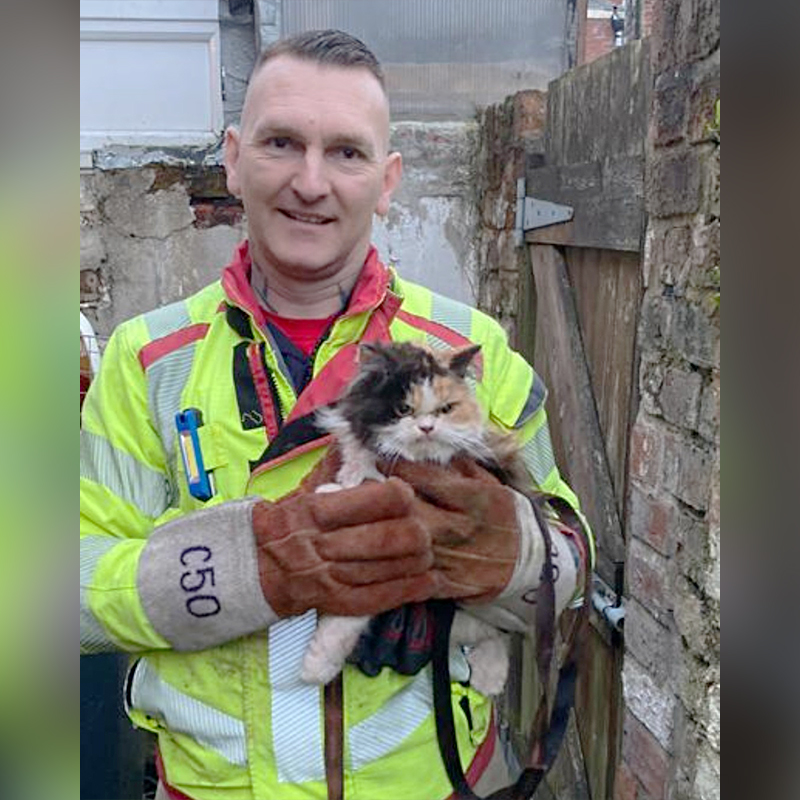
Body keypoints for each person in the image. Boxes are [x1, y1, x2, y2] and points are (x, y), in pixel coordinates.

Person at [80, 30, 592, 800]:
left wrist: (509, 552)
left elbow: (572, 568)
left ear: (387, 182)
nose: (310, 183)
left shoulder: (470, 350)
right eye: (281, 142)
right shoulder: (145, 359)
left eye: (347, 153)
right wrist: (251, 563)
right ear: (232, 157)